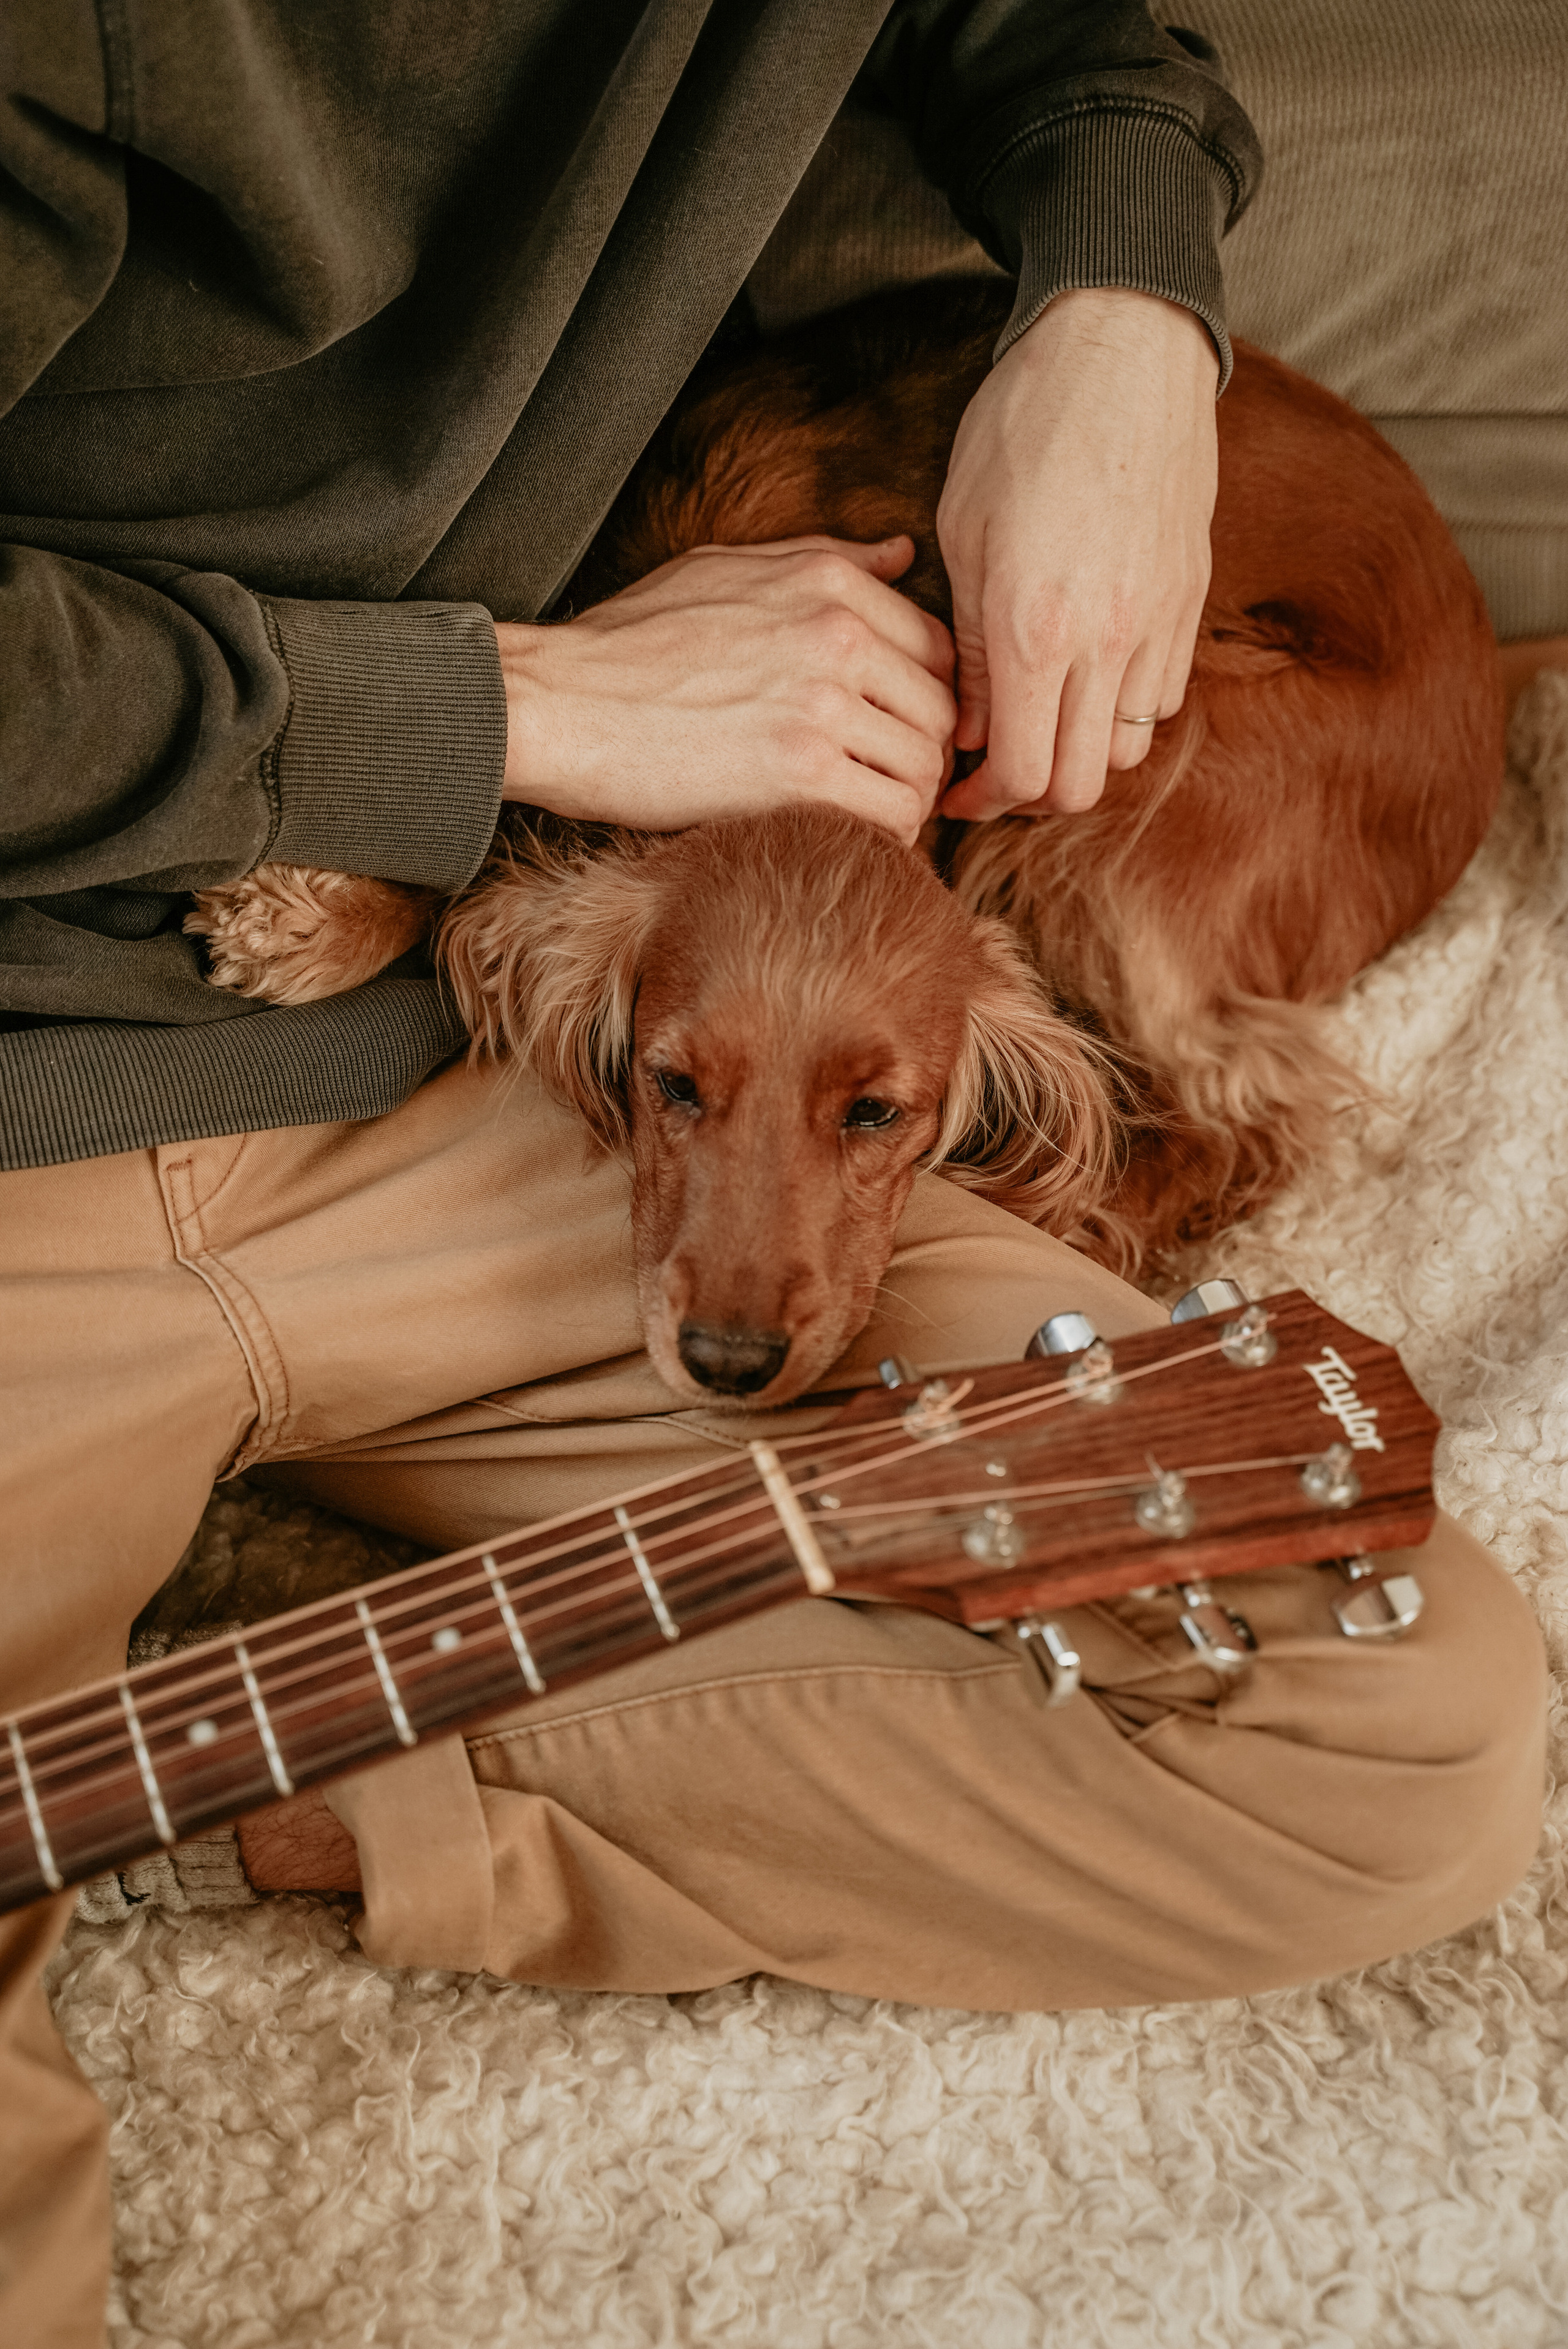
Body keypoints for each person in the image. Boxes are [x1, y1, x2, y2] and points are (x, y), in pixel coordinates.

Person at [0, 4, 1545, 2340]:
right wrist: (512, 710)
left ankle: (409, 1797)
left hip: (567, 1066)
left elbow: (1046, 27)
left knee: (1411, 1726)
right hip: (42, 1119)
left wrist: (1125, 301)